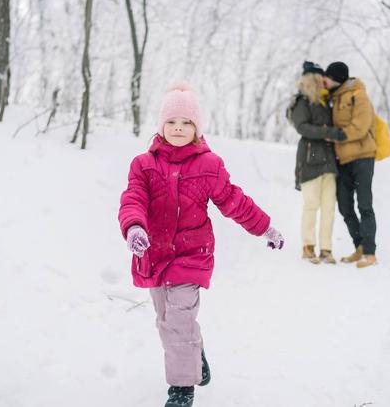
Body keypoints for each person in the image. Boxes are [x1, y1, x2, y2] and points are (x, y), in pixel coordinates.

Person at [118, 81, 284, 407]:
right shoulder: (143, 164)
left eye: (186, 123)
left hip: (192, 256)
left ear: (197, 128)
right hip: (154, 255)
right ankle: (195, 355)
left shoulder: (209, 165)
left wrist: (265, 227)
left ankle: (182, 390)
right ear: (161, 125)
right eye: (172, 123)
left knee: (178, 320)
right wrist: (134, 227)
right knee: (168, 321)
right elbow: (132, 199)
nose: (178, 129)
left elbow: (234, 201)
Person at [287, 61, 346, 264]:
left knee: (329, 206)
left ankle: (326, 249)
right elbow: (302, 127)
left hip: (329, 161)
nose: (323, 82)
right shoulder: (301, 102)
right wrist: (328, 132)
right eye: (319, 79)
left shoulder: (326, 101)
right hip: (310, 159)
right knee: (311, 205)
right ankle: (308, 246)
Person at [322, 62, 378, 268]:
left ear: (334, 77)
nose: (323, 81)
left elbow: (361, 126)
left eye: (326, 77)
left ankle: (370, 253)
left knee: (364, 205)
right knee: (345, 206)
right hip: (342, 159)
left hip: (363, 157)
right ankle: (360, 247)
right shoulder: (332, 98)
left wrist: (336, 135)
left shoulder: (358, 95)